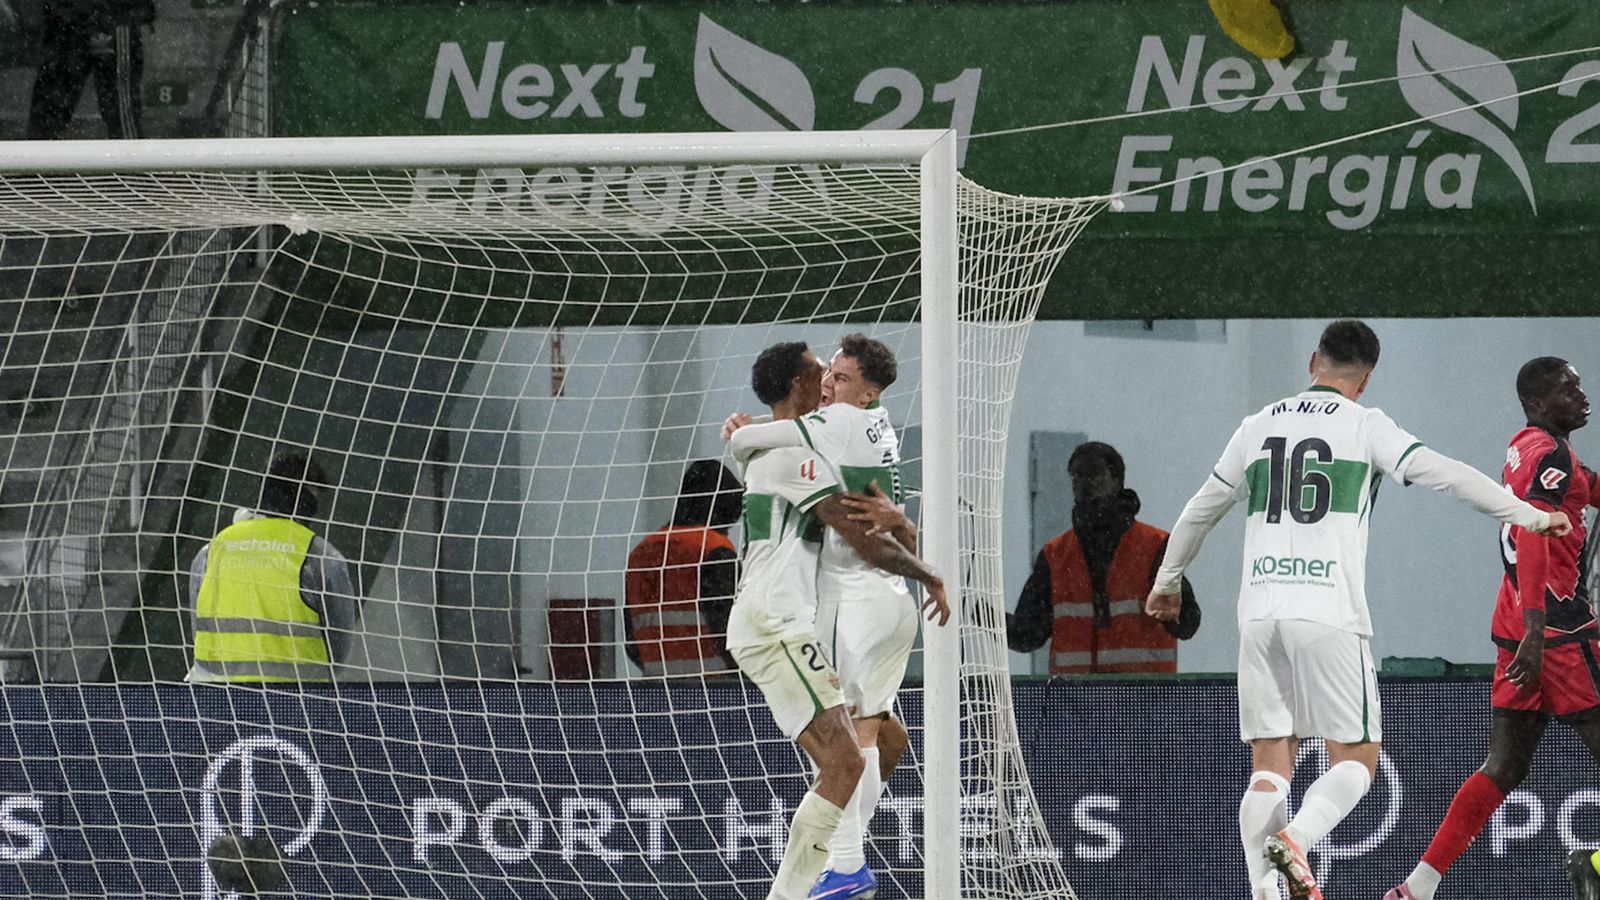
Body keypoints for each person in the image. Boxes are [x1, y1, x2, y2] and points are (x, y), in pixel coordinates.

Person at [1144, 321, 1571, 900]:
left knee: (1271, 761)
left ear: (1313, 360)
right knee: (1357, 760)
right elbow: (1447, 476)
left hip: (1259, 613)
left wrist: (1168, 580)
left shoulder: (1257, 426)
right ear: (1366, 379)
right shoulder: (1365, 425)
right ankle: (1296, 840)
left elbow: (1200, 509)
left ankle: (1263, 893)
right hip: (1327, 613)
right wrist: (1531, 515)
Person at [725, 340, 948, 900]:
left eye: (838, 373)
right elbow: (858, 537)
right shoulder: (796, 458)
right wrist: (930, 572)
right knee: (846, 760)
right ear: (800, 386)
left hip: (792, 617)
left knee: (887, 742)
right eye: (821, 371)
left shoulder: (809, 445)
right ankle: (824, 880)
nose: (827, 378)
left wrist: (902, 523)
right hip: (776, 621)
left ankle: (839, 864)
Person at [1386, 358, 1599, 900]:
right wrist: (1537, 627)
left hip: (1514, 621)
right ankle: (1596, 866)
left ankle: (1419, 884)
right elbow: (1532, 535)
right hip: (1555, 629)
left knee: (1503, 764)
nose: (1580, 394)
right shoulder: (1551, 453)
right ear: (1537, 403)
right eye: (1567, 388)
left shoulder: (1527, 444)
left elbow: (1583, 486)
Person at [1007, 440, 1200, 674]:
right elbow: (1027, 634)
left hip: (1143, 703)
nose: (1084, 483)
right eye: (1077, 476)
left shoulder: (1155, 548)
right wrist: (980, 612)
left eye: (1094, 474)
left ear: (1117, 481)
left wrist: (1175, 616)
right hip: (1076, 704)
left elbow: (1188, 622)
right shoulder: (1054, 556)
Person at [187, 452, 359, 683]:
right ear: (305, 498)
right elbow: (339, 647)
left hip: (215, 701)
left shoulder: (212, 552)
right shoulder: (318, 556)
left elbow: (198, 631)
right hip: (298, 704)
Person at [623, 459, 743, 677]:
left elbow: (630, 638)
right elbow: (731, 629)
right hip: (720, 688)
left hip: (658, 688)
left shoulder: (640, 553)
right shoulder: (714, 551)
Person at [27, 0, 155, 140]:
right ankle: (36, 155)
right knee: (48, 110)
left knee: (121, 111)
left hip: (101, 18)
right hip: (80, 18)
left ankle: (131, 156)